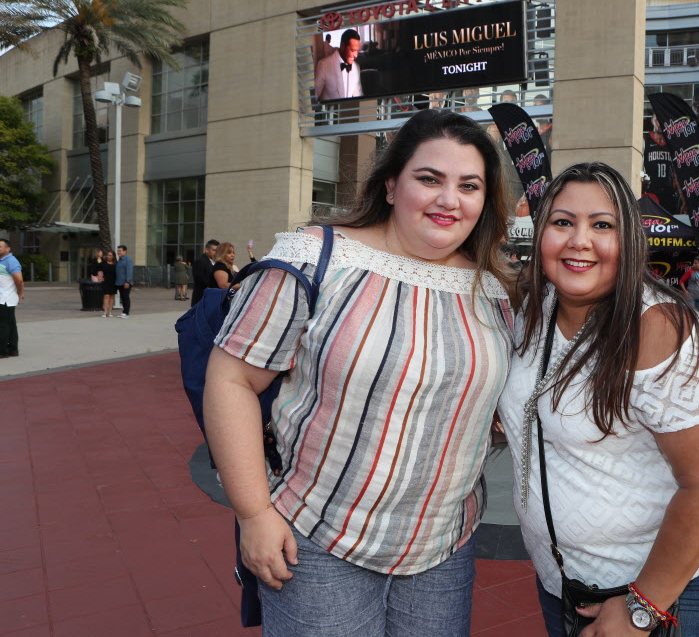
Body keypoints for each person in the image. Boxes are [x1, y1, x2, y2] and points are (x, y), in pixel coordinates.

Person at [203, 109, 514, 635]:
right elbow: (231, 380)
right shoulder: (315, 256)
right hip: (316, 539)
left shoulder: (496, 290)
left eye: (469, 185)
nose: (449, 199)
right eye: (429, 179)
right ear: (391, 185)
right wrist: (253, 514)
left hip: (444, 548)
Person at [499, 161, 699, 637]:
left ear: (629, 239)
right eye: (562, 222)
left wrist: (644, 606)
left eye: (602, 225)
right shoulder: (534, 308)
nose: (579, 240)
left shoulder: (659, 329)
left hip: (674, 583)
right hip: (564, 578)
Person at [314, 28, 362, 102]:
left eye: (357, 51)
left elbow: (359, 97)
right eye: (352, 50)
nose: (356, 55)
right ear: (342, 46)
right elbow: (313, 97)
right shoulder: (324, 65)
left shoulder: (356, 67)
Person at [0, 238, 24, 358]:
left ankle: (3, 351)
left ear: (7, 249)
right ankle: (13, 350)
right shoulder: (1, 261)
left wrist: (19, 293)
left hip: (5, 299)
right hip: (3, 298)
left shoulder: (11, 261)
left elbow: (19, 280)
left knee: (3, 325)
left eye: (0, 247)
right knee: (10, 324)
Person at [191, 239, 220, 306]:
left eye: (218, 251)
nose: (216, 253)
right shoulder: (200, 261)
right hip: (202, 299)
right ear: (206, 250)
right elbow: (202, 280)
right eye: (214, 250)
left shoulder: (217, 262)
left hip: (212, 298)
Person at [115, 244, 133, 319]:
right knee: (122, 297)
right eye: (118, 251)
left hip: (126, 283)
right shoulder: (119, 260)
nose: (118, 252)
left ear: (125, 251)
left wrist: (127, 281)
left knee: (125, 297)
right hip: (119, 282)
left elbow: (129, 271)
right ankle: (124, 312)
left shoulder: (128, 260)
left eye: (120, 251)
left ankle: (126, 312)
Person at [99, 250, 117, 317]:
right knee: (106, 296)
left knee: (112, 297)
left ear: (113, 256)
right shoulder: (103, 263)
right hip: (106, 281)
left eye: (110, 255)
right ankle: (105, 312)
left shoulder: (116, 264)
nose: (108, 256)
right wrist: (99, 276)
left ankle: (110, 312)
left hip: (113, 282)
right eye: (108, 255)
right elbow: (96, 268)